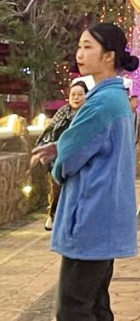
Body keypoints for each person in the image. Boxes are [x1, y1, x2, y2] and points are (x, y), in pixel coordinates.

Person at [30, 23, 139, 321]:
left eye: (88, 46)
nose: (80, 53)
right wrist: (61, 147)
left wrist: (58, 160)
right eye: (79, 45)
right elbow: (82, 144)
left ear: (108, 55)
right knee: (93, 304)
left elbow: (71, 159)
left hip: (89, 217)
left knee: (72, 306)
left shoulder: (100, 103)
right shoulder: (113, 99)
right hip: (103, 219)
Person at [35, 80, 89, 231]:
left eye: (80, 94)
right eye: (73, 94)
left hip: (80, 159)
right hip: (57, 158)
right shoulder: (62, 112)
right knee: (56, 189)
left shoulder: (89, 114)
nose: (76, 98)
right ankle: (53, 216)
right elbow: (49, 130)